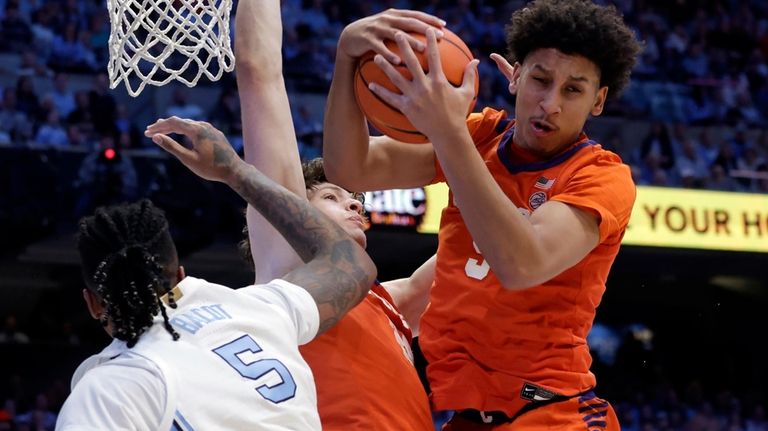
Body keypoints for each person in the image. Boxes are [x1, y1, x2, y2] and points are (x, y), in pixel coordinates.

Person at [322, 0, 642, 429]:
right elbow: (351, 167)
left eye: (573, 90)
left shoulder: (602, 176)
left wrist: (449, 133)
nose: (549, 104)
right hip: (470, 417)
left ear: (598, 101)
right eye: (540, 80)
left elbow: (522, 263)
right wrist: (345, 59)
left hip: (553, 412)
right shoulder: (479, 135)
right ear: (514, 76)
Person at [55, 117, 377, 430]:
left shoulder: (109, 388)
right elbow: (351, 266)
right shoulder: (257, 310)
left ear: (94, 303)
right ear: (180, 277)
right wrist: (234, 171)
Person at [223, 0, 438, 429]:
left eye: (356, 199)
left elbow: (482, 239)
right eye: (333, 198)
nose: (356, 205)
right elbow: (258, 73)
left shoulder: (388, 299)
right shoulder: (288, 268)